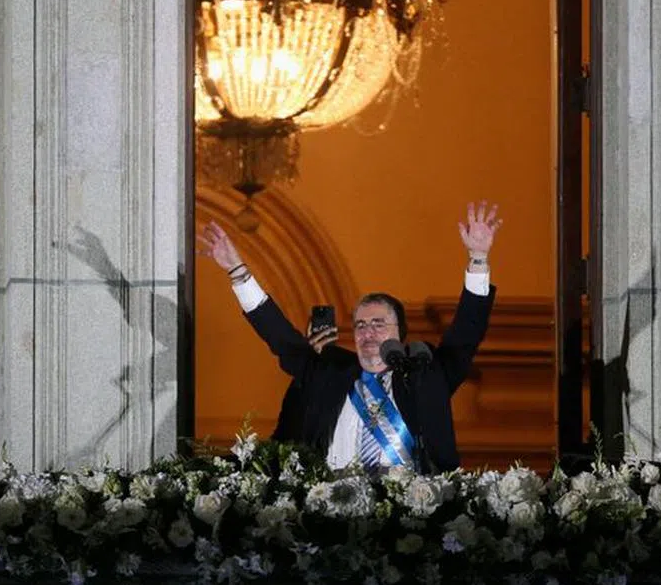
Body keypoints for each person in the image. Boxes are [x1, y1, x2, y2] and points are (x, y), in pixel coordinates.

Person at [199, 202, 501, 473]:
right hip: (332, 517)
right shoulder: (329, 372)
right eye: (360, 325)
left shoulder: (424, 375)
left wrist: (478, 258)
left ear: (401, 333)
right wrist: (238, 272)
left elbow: (466, 333)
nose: (368, 332)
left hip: (410, 521)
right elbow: (280, 337)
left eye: (379, 323)